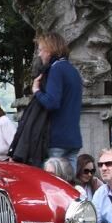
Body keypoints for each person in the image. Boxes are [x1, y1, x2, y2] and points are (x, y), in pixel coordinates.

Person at [31, 32, 83, 172]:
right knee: (70, 186)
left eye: (41, 50)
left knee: (55, 187)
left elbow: (52, 102)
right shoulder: (73, 71)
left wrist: (36, 91)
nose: (39, 54)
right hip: (73, 138)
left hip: (57, 139)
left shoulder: (56, 69)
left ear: (50, 50)